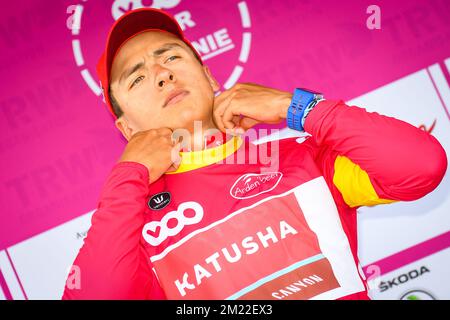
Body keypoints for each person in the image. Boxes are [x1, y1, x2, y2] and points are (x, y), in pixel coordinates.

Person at [62, 8, 447, 300]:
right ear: (127, 128)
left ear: (210, 78)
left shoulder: (302, 157)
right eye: (138, 77)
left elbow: (420, 166)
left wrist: (294, 107)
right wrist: (130, 172)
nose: (162, 74)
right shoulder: (131, 223)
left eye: (172, 57)